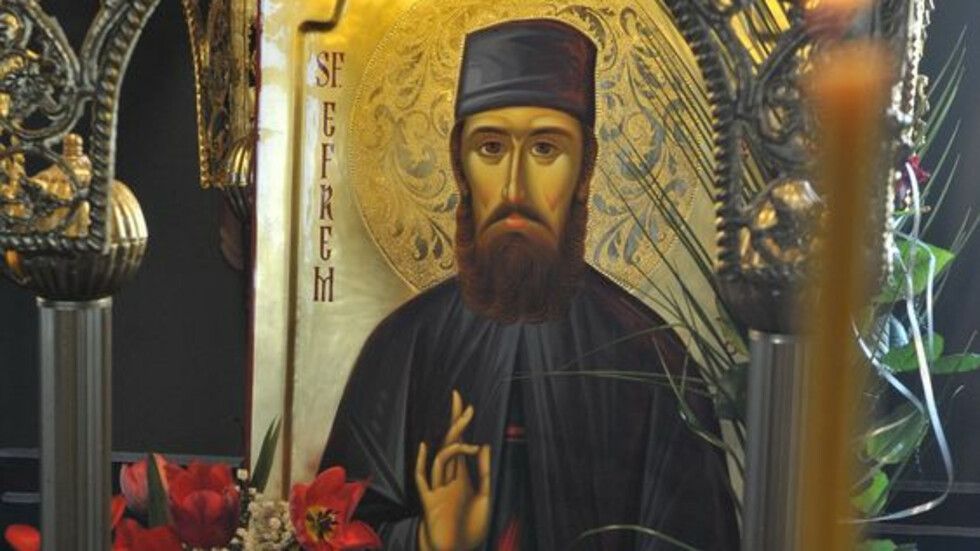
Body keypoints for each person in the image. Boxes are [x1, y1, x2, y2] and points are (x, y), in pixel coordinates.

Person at [321, 19, 738, 550]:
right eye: (491, 148)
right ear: (459, 165)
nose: (515, 188)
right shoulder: (402, 349)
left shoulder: (654, 361)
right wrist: (428, 540)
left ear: (585, 168)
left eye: (545, 149)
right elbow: (331, 527)